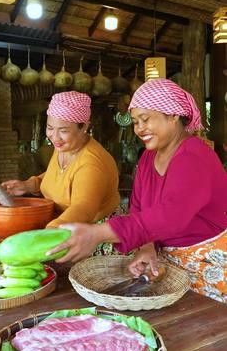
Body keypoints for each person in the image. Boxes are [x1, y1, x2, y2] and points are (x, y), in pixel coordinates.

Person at [47, 79, 227, 303]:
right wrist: (147, 246)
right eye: (134, 122)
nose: (139, 128)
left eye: (145, 119)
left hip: (209, 267)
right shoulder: (148, 157)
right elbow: (139, 206)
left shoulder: (194, 156)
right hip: (167, 267)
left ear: (173, 116)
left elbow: (170, 216)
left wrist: (98, 233)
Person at [2, 91, 120, 254]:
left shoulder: (91, 164)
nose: (54, 137)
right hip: (64, 227)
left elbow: (84, 208)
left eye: (63, 130)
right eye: (50, 128)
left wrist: (52, 230)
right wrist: (30, 184)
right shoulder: (64, 147)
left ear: (84, 126)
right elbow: (58, 176)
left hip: (93, 238)